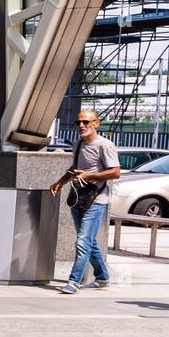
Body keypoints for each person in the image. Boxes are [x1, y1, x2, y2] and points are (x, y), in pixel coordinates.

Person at [49, 109, 120, 294]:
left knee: (82, 241)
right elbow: (75, 168)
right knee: (87, 240)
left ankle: (74, 281)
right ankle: (103, 277)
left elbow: (115, 172)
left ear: (97, 123)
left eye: (86, 122)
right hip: (78, 197)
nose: (82, 125)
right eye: (79, 122)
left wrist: (91, 175)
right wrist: (60, 182)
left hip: (97, 199)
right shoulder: (78, 144)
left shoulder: (105, 145)